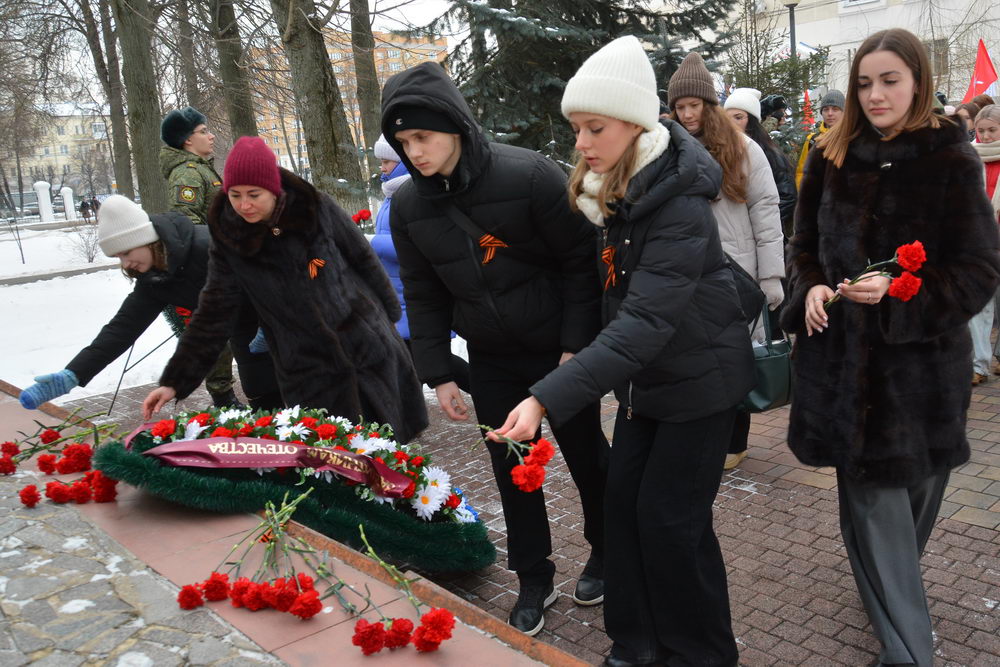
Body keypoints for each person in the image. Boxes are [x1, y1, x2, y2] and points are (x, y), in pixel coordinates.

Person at [492, 36, 754, 666]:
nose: (580, 143)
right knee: (623, 510)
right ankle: (636, 644)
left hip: (697, 387)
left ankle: (702, 654)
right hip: (646, 390)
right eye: (576, 128)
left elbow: (643, 324)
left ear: (635, 126)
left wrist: (543, 397)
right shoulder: (618, 193)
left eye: (594, 127)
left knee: (672, 525)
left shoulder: (678, 205)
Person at [783, 28, 1000, 667]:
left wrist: (905, 294)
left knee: (912, 505)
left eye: (889, 80)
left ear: (917, 82)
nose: (875, 95)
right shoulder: (830, 154)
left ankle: (885, 591)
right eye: (864, 82)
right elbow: (802, 249)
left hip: (925, 373)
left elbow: (980, 269)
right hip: (843, 371)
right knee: (873, 504)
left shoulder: (951, 159)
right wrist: (814, 289)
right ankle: (909, 649)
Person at [381, 60, 610, 635]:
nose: (415, 153)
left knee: (587, 455)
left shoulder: (528, 176)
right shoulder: (409, 206)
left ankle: (608, 552)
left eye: (423, 137)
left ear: (454, 126)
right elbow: (424, 294)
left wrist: (573, 348)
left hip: (559, 350)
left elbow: (582, 262)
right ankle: (533, 576)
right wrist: (439, 373)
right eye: (403, 143)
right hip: (491, 357)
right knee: (512, 466)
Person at [142, 137, 428, 445]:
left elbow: (363, 258)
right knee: (332, 464)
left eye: (254, 194)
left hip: (366, 346)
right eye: (235, 195)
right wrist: (176, 380)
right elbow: (213, 311)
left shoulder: (315, 207)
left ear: (274, 189)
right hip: (308, 370)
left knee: (391, 461)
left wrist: (388, 322)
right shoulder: (230, 240)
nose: (244, 205)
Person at [19, 196, 280, 412]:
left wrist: (270, 322)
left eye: (126, 252)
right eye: (118, 257)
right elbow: (121, 329)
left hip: (286, 320)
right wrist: (72, 375)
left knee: (306, 392)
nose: (124, 263)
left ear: (146, 240)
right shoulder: (154, 280)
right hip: (245, 332)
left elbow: (278, 274)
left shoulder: (207, 246)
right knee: (264, 399)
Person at [668, 53, 784, 472]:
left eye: (693, 105)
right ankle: (703, 437)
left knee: (733, 356)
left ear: (708, 105)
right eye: (679, 107)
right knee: (697, 358)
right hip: (685, 269)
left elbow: (766, 212)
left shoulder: (742, 147)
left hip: (737, 269)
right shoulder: (668, 146)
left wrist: (771, 275)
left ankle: (734, 441)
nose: (686, 114)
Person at [370, 134, 471, 391]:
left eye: (387, 162)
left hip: (410, 293)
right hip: (396, 292)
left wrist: (369, 243)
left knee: (419, 360)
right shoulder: (392, 194)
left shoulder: (411, 195)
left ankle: (480, 386)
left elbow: (409, 244)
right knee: (409, 361)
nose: (382, 168)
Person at [159, 105, 237, 407]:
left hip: (223, 260)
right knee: (217, 332)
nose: (211, 135)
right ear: (187, 140)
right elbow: (186, 222)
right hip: (209, 264)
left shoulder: (202, 168)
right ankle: (223, 396)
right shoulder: (187, 173)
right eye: (203, 131)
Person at [726, 87, 798, 237]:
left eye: (738, 117)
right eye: (727, 118)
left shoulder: (768, 153)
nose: (731, 124)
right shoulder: (724, 151)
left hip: (766, 237)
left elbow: (788, 196)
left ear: (752, 121)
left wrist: (763, 222)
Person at [970, 104, 1000, 384]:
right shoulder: (969, 159)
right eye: (981, 131)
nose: (986, 136)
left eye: (992, 130)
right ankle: (978, 365)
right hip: (979, 241)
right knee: (980, 304)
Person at [795, 89, 845, 187]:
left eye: (835, 109)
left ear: (844, 112)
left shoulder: (852, 138)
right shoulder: (813, 140)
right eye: (826, 109)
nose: (830, 113)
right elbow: (801, 172)